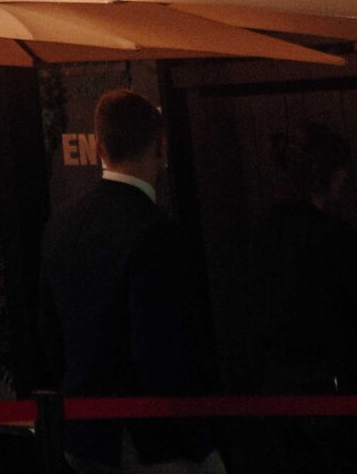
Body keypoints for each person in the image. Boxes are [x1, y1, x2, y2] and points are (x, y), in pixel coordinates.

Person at [38, 89, 220, 473]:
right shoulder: (155, 233)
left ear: (100, 146)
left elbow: (51, 333)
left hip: (83, 432)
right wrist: (201, 445)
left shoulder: (62, 226)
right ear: (161, 147)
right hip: (144, 438)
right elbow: (160, 353)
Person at [245, 122, 357, 471]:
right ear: (328, 174)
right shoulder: (333, 237)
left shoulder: (262, 233)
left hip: (274, 392)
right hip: (331, 393)